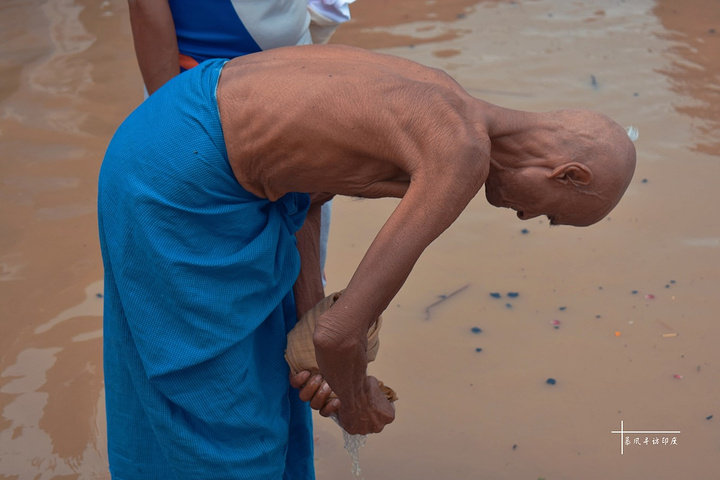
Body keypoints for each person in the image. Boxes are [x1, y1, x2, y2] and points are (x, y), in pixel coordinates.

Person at [97, 44, 636, 479]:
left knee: (267, 376)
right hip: (173, 174)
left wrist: (307, 321)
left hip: (179, 125)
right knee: (221, 411)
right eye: (551, 216)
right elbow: (340, 336)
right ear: (568, 175)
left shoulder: (449, 99)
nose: (526, 219)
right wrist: (357, 403)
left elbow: (307, 194)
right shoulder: (459, 153)